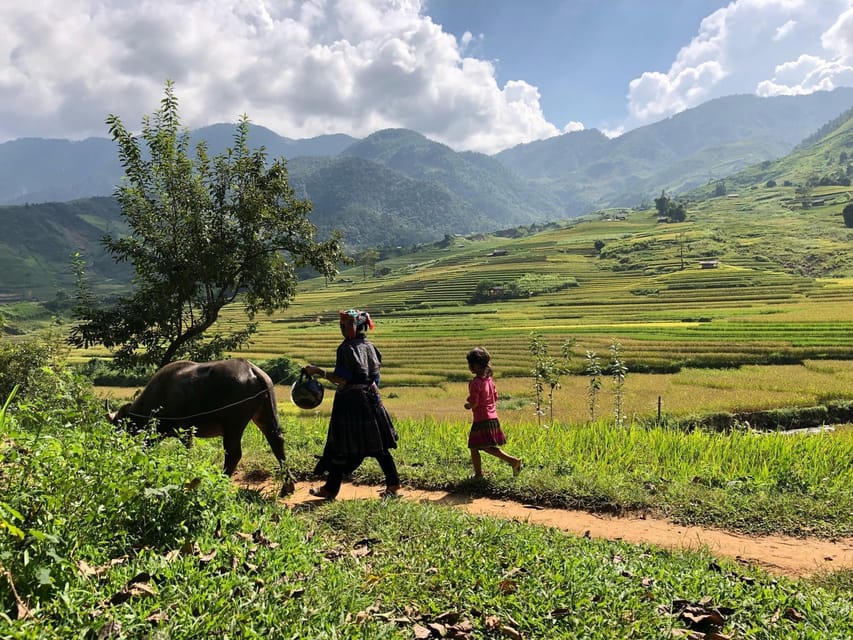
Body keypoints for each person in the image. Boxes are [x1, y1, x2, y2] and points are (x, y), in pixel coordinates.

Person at [303, 309, 401, 499]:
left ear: (354, 327)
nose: (342, 328)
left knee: (341, 446)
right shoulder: (370, 346)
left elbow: (342, 379)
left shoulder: (346, 349)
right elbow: (376, 377)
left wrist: (317, 371)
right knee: (379, 446)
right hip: (373, 398)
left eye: (345, 325)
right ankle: (393, 485)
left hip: (351, 404)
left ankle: (331, 489)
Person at [465, 347, 522, 478]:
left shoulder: (475, 383)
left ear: (477, 365)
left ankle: (512, 461)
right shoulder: (490, 380)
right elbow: (495, 397)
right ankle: (511, 462)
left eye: (470, 364)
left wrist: (469, 405)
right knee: (483, 447)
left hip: (482, 419)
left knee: (476, 447)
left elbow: (475, 403)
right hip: (492, 418)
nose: (469, 367)